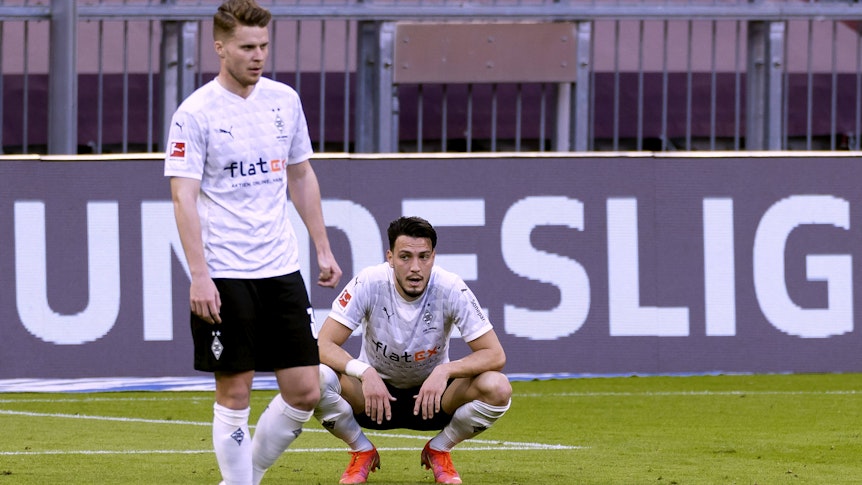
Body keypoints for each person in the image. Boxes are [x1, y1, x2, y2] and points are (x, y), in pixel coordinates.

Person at [163, 1, 342, 484]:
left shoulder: (284, 100)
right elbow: (183, 197)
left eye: (263, 45)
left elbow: (300, 174)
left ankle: (245, 476)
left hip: (281, 267)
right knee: (235, 392)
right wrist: (199, 275)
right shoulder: (195, 113)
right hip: (225, 272)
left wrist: (322, 247)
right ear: (220, 48)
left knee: (306, 390)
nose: (258, 55)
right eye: (247, 47)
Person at [313, 216, 512, 484]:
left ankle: (439, 448)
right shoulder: (369, 282)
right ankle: (361, 450)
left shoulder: (451, 287)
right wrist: (364, 372)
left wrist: (445, 371)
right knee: (314, 378)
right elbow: (322, 345)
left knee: (498, 387)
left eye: (423, 257)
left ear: (433, 257)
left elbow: (495, 354)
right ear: (390, 257)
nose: (415, 267)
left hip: (434, 400)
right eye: (405, 257)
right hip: (372, 398)